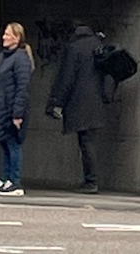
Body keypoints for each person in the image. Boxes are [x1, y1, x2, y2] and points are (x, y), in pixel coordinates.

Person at [48, 23, 105, 193]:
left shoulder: (74, 48)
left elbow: (66, 77)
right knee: (88, 141)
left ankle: (91, 181)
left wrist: (56, 101)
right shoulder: (98, 45)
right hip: (97, 101)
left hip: (80, 101)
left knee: (85, 142)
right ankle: (91, 180)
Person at [0, 22, 34, 197]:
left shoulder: (21, 59)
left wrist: (17, 113)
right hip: (0, 110)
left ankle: (15, 181)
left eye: (7, 34)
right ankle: (5, 179)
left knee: (13, 145)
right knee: (4, 144)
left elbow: (22, 88)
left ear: (17, 38)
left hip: (11, 111)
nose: (4, 37)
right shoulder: (3, 57)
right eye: (4, 34)